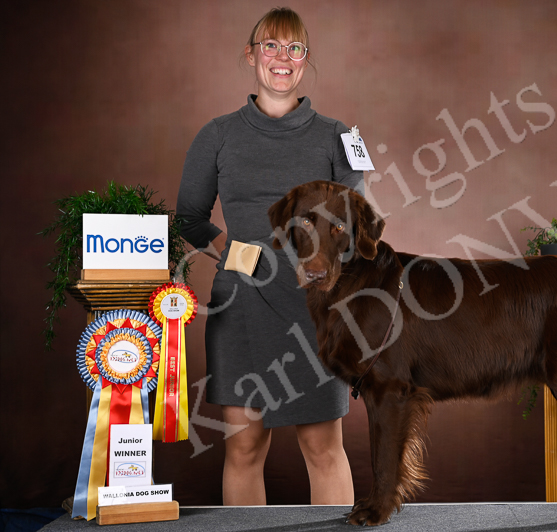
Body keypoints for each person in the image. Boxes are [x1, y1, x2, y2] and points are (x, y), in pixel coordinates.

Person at [176, 7, 359, 506]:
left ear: (305, 59)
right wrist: (235, 254)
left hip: (315, 310)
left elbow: (353, 222)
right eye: (271, 45)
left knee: (324, 449)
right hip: (241, 308)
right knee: (244, 448)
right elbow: (189, 217)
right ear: (251, 54)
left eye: (294, 48)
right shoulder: (217, 134)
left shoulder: (339, 135)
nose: (283, 57)